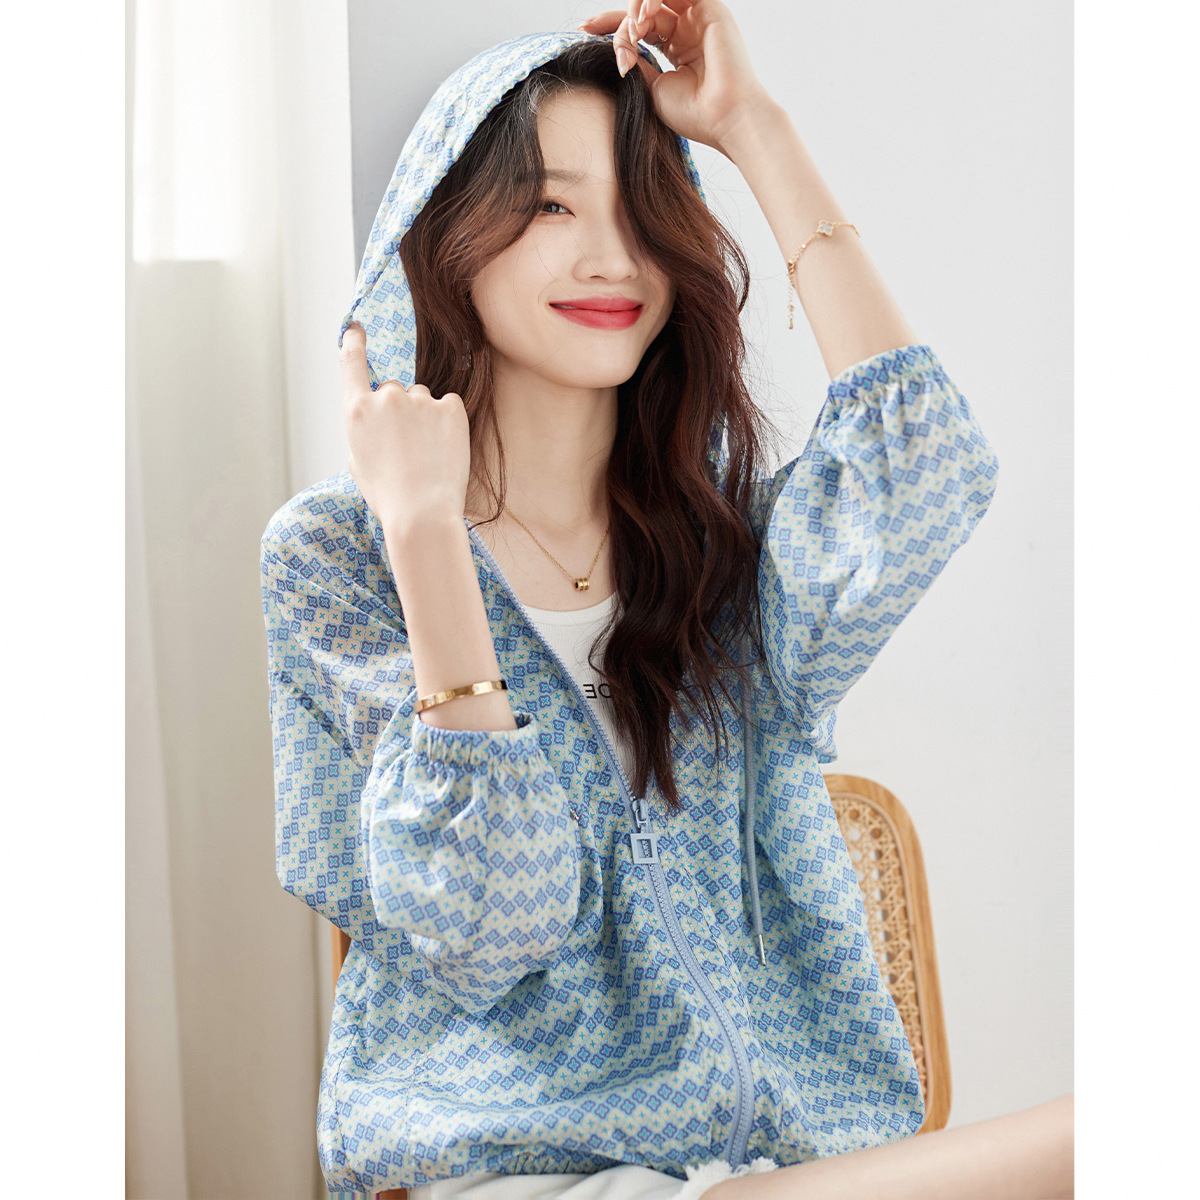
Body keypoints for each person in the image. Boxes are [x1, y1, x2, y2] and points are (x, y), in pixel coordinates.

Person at [260, 4, 1066, 1197]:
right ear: (450, 238)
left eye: (645, 211)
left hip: (784, 1164)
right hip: (517, 1172)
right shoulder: (340, 557)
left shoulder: (721, 548)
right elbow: (487, 926)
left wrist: (753, 126)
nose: (613, 258)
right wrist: (424, 532)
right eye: (551, 207)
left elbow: (926, 470)